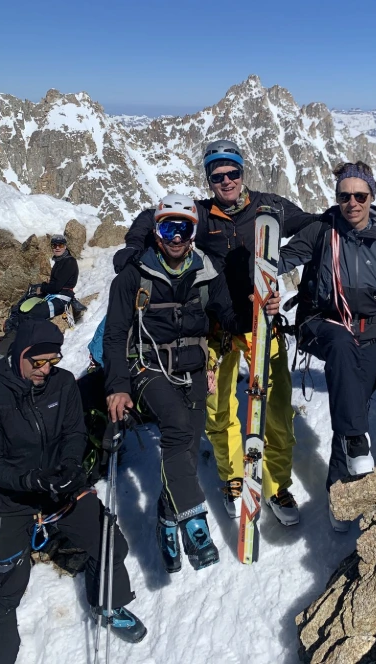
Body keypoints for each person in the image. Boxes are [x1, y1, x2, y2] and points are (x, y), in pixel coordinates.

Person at [114, 139, 317, 526]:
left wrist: (283, 264)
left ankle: (276, 486)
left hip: (263, 322)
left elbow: (313, 226)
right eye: (217, 175)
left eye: (232, 173)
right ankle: (234, 480)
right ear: (208, 180)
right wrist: (132, 249)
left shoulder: (270, 207)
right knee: (218, 409)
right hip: (216, 327)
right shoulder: (203, 216)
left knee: (275, 409)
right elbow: (149, 216)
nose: (225, 181)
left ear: (243, 173)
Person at [104, 193, 280, 572]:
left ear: (194, 232)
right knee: (177, 427)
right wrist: (117, 385)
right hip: (148, 369)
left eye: (184, 228)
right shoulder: (134, 274)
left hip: (195, 371)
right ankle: (195, 522)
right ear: (156, 230)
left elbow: (229, 318)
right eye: (169, 227)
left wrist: (258, 311)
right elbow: (115, 334)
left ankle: (167, 517)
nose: (177, 237)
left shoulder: (207, 271)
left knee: (184, 446)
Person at [0, 320, 146, 664]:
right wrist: (33, 480)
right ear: (21, 356)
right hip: (12, 501)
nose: (47, 369)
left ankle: (108, 605)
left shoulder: (62, 384)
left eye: (53, 360)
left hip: (61, 488)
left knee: (111, 544)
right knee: (8, 582)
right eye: (38, 362)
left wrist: (70, 468)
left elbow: (73, 433)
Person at [278, 161, 376, 532]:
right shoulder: (322, 230)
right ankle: (356, 441)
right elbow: (281, 260)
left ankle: (339, 489)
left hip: (369, 335)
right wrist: (255, 260)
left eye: (360, 195)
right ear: (336, 197)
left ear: (371, 197)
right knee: (340, 346)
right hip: (320, 326)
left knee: (353, 403)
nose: (351, 202)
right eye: (344, 196)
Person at [0, 234, 79, 362]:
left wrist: (43, 288)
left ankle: (1, 351)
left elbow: (57, 286)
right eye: (54, 245)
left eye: (60, 245)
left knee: (28, 314)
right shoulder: (61, 261)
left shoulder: (69, 261)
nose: (57, 248)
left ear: (65, 246)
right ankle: (9, 338)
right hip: (56, 297)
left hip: (60, 300)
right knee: (21, 309)